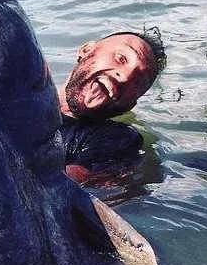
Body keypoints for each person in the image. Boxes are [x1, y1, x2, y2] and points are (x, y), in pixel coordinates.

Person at [57, 28, 166, 183]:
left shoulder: (118, 141)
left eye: (137, 82)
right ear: (86, 50)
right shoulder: (18, 96)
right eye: (121, 59)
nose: (124, 77)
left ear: (130, 105)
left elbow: (57, 186)